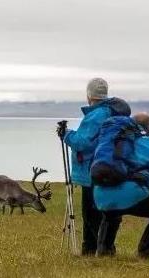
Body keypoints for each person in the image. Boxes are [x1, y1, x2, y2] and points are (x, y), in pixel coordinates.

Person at [57, 78, 131, 255]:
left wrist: (66, 134)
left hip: (92, 170)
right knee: (100, 211)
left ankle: (96, 249)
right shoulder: (112, 112)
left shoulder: (97, 115)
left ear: (89, 95)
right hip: (108, 167)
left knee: (91, 214)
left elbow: (82, 142)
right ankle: (96, 248)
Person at [94, 112, 149, 260]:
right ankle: (143, 253)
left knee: (111, 212)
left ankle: (103, 251)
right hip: (132, 193)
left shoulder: (111, 141)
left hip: (101, 195)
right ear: (148, 128)